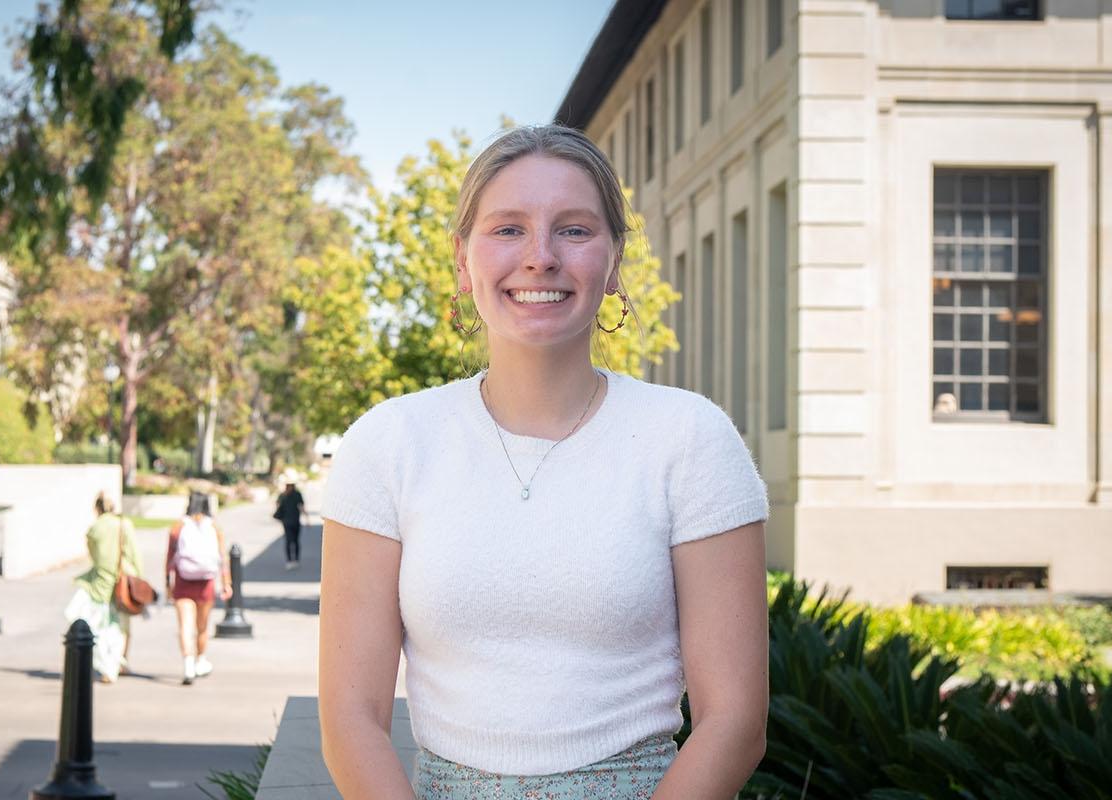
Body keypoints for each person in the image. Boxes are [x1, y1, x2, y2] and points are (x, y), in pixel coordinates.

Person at [318, 125, 770, 799]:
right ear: (463, 260)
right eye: (507, 229)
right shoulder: (388, 445)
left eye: (575, 230)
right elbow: (350, 719)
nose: (540, 257)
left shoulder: (691, 440)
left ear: (614, 261)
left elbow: (734, 721)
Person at [64, 492, 144, 683]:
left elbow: (93, 554)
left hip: (100, 581)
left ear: (97, 508)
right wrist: (139, 580)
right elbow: (134, 554)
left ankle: (109, 664)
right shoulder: (124, 525)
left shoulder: (95, 528)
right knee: (120, 627)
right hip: (122, 582)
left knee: (102, 624)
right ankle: (116, 664)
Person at [166, 492, 231, 685]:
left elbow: (169, 559)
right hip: (206, 583)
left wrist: (167, 584)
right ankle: (200, 660)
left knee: (185, 626)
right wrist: (226, 582)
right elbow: (222, 558)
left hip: (183, 582)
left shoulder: (177, 528)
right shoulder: (214, 527)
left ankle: (188, 665)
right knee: (201, 627)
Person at [274, 471, 306, 570]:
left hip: (288, 522)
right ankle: (293, 560)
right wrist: (307, 518)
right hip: (292, 521)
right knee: (293, 541)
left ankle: (291, 560)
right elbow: (301, 507)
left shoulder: (283, 495)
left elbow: (277, 505)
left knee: (291, 541)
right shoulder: (297, 494)